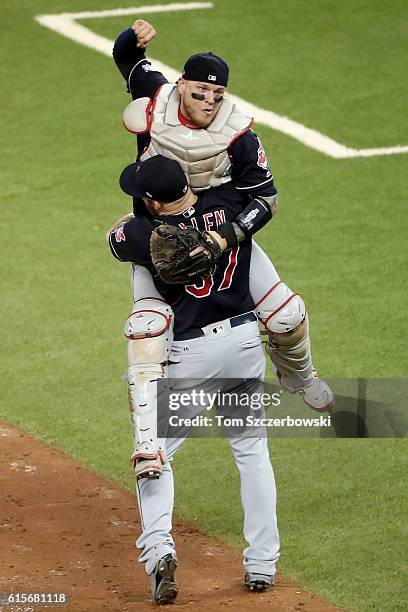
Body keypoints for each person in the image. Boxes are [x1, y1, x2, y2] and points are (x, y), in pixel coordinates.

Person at [112, 22, 334, 477]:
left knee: (288, 315)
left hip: (219, 229)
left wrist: (225, 237)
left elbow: (264, 199)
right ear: (181, 86)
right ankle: (148, 446)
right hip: (158, 233)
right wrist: (131, 37)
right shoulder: (155, 100)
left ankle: (299, 374)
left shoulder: (239, 134)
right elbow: (126, 58)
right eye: (200, 92)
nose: (209, 102)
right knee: (147, 329)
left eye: (217, 95)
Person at [107, 155, 280, 605]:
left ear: (154, 203)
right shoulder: (226, 204)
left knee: (155, 456)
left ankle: (160, 550)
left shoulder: (146, 236)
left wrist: (137, 215)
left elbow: (116, 237)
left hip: (190, 356)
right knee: (252, 452)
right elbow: (260, 199)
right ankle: (262, 563)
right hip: (244, 341)